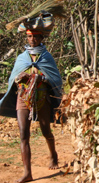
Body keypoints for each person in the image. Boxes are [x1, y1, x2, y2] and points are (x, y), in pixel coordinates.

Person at [0, 14, 63, 183]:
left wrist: (42, 78)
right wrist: (20, 78)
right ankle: (27, 172)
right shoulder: (21, 58)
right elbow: (13, 78)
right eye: (29, 36)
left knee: (45, 131)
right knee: (23, 135)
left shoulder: (46, 57)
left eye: (35, 36)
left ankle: (53, 155)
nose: (32, 39)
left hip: (42, 98)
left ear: (41, 37)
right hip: (23, 97)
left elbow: (55, 79)